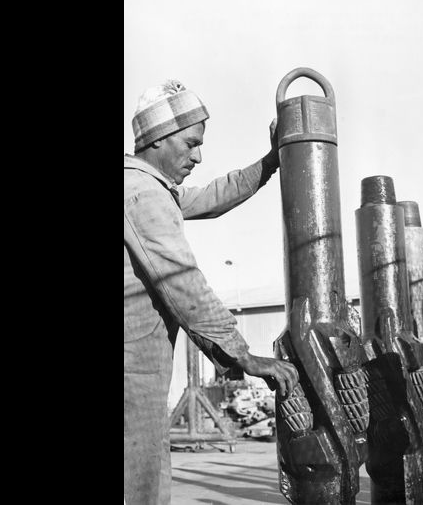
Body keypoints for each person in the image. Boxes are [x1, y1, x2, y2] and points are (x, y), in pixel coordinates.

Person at [124, 80, 298, 505]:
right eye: (191, 143)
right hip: (132, 375)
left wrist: (272, 161)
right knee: (141, 488)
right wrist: (242, 354)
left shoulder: (148, 188)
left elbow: (214, 196)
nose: (198, 157)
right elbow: (183, 283)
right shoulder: (141, 194)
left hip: (138, 371)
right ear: (158, 138)